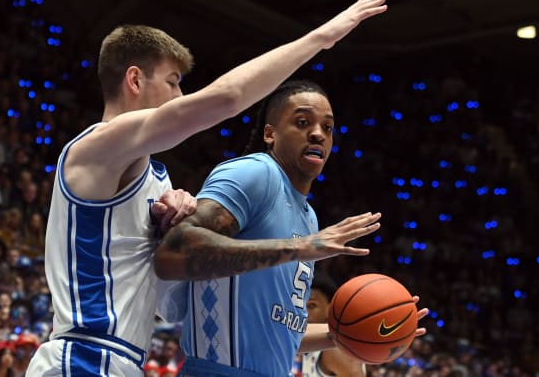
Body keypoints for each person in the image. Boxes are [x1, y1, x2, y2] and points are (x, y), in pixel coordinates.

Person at [27, 0, 389, 376]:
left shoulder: (158, 181)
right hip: (83, 355)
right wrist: (321, 38)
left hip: (123, 361)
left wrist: (167, 228)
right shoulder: (95, 147)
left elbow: (174, 304)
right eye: (173, 82)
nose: (180, 96)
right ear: (134, 79)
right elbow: (226, 98)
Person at [156, 80, 427, 376]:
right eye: (302, 122)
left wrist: (353, 334)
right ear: (270, 133)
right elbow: (174, 253)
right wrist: (302, 248)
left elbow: (278, 334)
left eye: (328, 128)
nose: (317, 134)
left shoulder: (308, 217)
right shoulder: (255, 173)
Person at [301, 273, 364, 377]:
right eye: (301, 306)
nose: (304, 313)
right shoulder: (309, 342)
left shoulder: (335, 349)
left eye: (312, 306)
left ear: (330, 309)